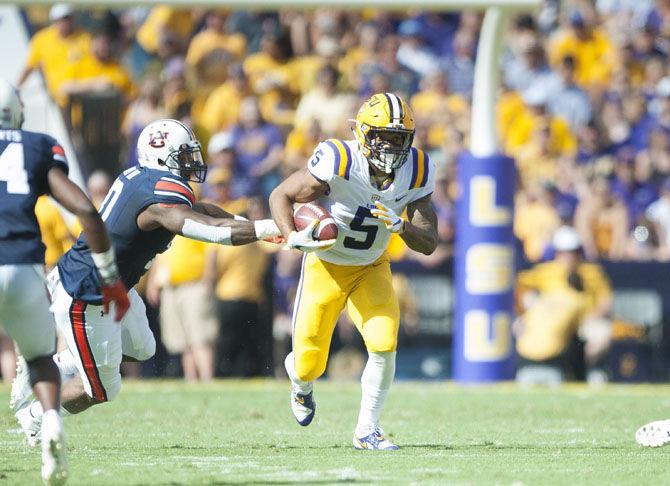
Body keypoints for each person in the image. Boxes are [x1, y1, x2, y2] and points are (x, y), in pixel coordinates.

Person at [11, 118, 282, 445]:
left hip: (112, 286)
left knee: (142, 347)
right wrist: (267, 230)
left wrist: (252, 222)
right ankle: (35, 415)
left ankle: (58, 362)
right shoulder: (160, 194)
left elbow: (201, 210)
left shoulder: (144, 179)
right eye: (183, 156)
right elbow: (205, 229)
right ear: (162, 156)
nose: (191, 163)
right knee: (100, 389)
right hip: (89, 294)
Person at [269, 93, 437, 450]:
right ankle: (300, 384)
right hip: (326, 266)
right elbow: (280, 195)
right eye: (384, 136)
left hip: (371, 267)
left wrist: (403, 228)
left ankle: (367, 430)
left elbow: (429, 242)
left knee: (384, 341)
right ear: (363, 133)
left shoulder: (418, 168)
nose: (392, 146)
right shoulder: (340, 159)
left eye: (399, 138)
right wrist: (292, 236)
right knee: (310, 363)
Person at [0, 78, 129, 484]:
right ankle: (51, 420)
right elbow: (87, 212)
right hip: (22, 266)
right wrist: (110, 277)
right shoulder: (37, 145)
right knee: (40, 358)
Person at [515, 226, 612, 385]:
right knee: (521, 326)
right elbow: (520, 285)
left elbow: (605, 300)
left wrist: (593, 316)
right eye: (563, 252)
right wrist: (523, 313)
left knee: (601, 335)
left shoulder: (591, 272)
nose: (568, 256)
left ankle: (592, 372)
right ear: (557, 253)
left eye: (572, 252)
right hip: (555, 318)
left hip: (585, 318)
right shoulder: (546, 271)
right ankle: (529, 366)